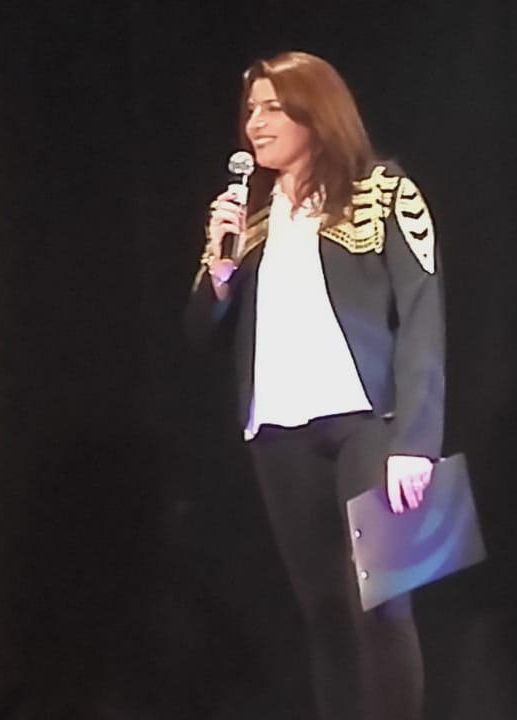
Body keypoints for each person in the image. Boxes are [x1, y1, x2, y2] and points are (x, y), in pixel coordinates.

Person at [185, 51, 446, 720]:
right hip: (279, 433)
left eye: (274, 108)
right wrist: (220, 267)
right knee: (324, 613)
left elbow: (422, 316)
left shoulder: (382, 191)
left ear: (316, 111)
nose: (256, 123)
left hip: (369, 427)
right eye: (250, 110)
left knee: (383, 603)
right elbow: (201, 331)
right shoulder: (252, 217)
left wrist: (416, 440)